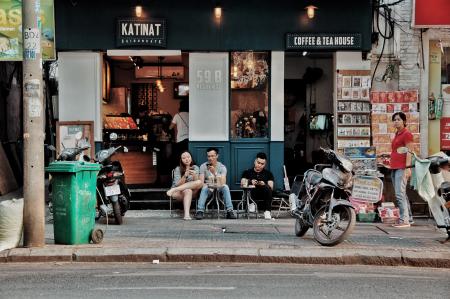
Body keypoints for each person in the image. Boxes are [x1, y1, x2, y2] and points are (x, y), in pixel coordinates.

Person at [195, 147, 236, 220]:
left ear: (217, 156)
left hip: (219, 186)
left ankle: (230, 211)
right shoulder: (203, 166)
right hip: (208, 187)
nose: (210, 158)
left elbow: (223, 182)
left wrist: (215, 173)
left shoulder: (222, 167)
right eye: (209, 156)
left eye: (212, 156)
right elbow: (201, 182)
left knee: (225, 187)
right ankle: (200, 211)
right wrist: (207, 185)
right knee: (204, 187)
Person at [390, 112, 414, 228]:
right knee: (402, 194)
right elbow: (397, 150)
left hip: (402, 167)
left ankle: (404, 220)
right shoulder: (397, 134)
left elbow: (409, 151)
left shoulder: (407, 134)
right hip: (394, 166)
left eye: (399, 119)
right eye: (394, 119)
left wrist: (408, 168)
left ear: (404, 121)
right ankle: (408, 217)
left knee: (399, 194)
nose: (396, 121)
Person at [166, 151, 202, 220]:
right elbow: (177, 184)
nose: (186, 159)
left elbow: (197, 183)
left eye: (188, 157)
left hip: (191, 192)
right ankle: (187, 215)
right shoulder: (178, 169)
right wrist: (185, 176)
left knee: (199, 182)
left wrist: (195, 175)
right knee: (187, 190)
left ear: (191, 158)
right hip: (178, 193)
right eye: (184, 158)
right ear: (181, 160)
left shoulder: (195, 168)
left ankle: (173, 189)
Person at [241, 152, 275, 220]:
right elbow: (242, 183)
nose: (259, 165)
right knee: (249, 186)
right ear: (255, 161)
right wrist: (250, 181)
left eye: (262, 164)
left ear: (265, 164)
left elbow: (271, 187)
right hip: (252, 194)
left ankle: (267, 211)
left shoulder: (268, 173)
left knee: (268, 189)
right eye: (258, 162)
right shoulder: (247, 172)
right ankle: (251, 204)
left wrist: (264, 183)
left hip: (264, 194)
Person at [170, 100, 189, 168]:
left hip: (180, 140)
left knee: (181, 157)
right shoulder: (190, 115)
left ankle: (181, 170)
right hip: (189, 140)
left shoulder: (177, 115)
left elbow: (170, 127)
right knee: (188, 157)